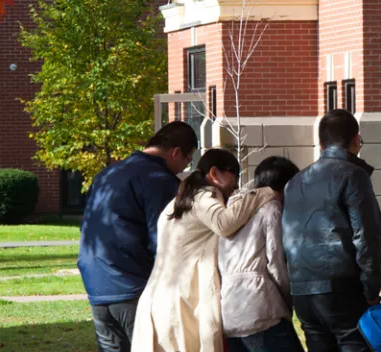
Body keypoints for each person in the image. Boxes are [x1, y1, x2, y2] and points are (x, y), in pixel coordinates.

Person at [130, 149, 278, 352]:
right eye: (234, 180)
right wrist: (266, 192)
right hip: (181, 300)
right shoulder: (203, 196)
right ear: (215, 173)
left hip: (161, 295)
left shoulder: (179, 201)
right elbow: (224, 223)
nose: (234, 190)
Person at [78, 121, 198, 352]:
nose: (186, 166)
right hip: (135, 285)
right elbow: (165, 238)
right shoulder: (159, 179)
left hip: (97, 282)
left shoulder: (107, 174)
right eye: (187, 159)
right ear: (176, 153)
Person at [282, 109, 381, 352]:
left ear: (320, 143)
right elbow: (366, 235)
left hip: (303, 289)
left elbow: (288, 237)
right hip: (343, 288)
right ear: (356, 139)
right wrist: (372, 288)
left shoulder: (294, 183)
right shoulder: (354, 175)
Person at [221, 156, 304, 352]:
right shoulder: (271, 209)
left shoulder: (232, 209)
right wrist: (289, 301)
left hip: (229, 309)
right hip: (261, 308)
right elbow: (276, 263)